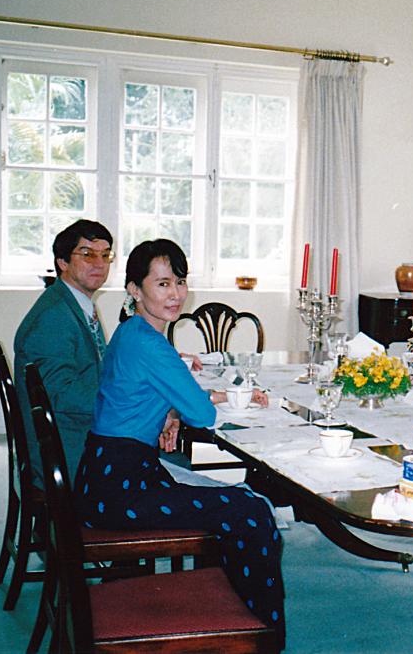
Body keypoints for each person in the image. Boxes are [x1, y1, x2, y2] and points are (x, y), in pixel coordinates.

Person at [74, 239, 285, 645]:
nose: (175, 295)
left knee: (235, 502)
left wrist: (170, 411)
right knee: (251, 510)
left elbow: (150, 395)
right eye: (163, 284)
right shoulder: (152, 344)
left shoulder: (132, 331)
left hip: (105, 473)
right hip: (123, 488)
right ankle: (259, 635)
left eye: (180, 282)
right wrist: (181, 405)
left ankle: (232, 614)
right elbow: (203, 417)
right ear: (135, 290)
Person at [14, 219, 114, 483]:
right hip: (67, 451)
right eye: (87, 254)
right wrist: (127, 401)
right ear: (62, 262)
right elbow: (60, 395)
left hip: (74, 433)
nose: (99, 263)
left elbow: (95, 366)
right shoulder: (53, 317)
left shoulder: (73, 303)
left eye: (106, 255)